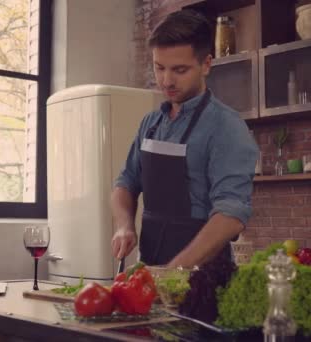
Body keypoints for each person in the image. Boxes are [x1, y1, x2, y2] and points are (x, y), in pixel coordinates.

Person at [110, 9, 259, 268]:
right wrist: (124, 226)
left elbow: (231, 214)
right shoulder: (151, 123)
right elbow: (126, 183)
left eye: (179, 70)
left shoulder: (226, 126)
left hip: (204, 277)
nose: (166, 80)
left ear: (206, 64)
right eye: (159, 68)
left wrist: (174, 271)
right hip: (152, 269)